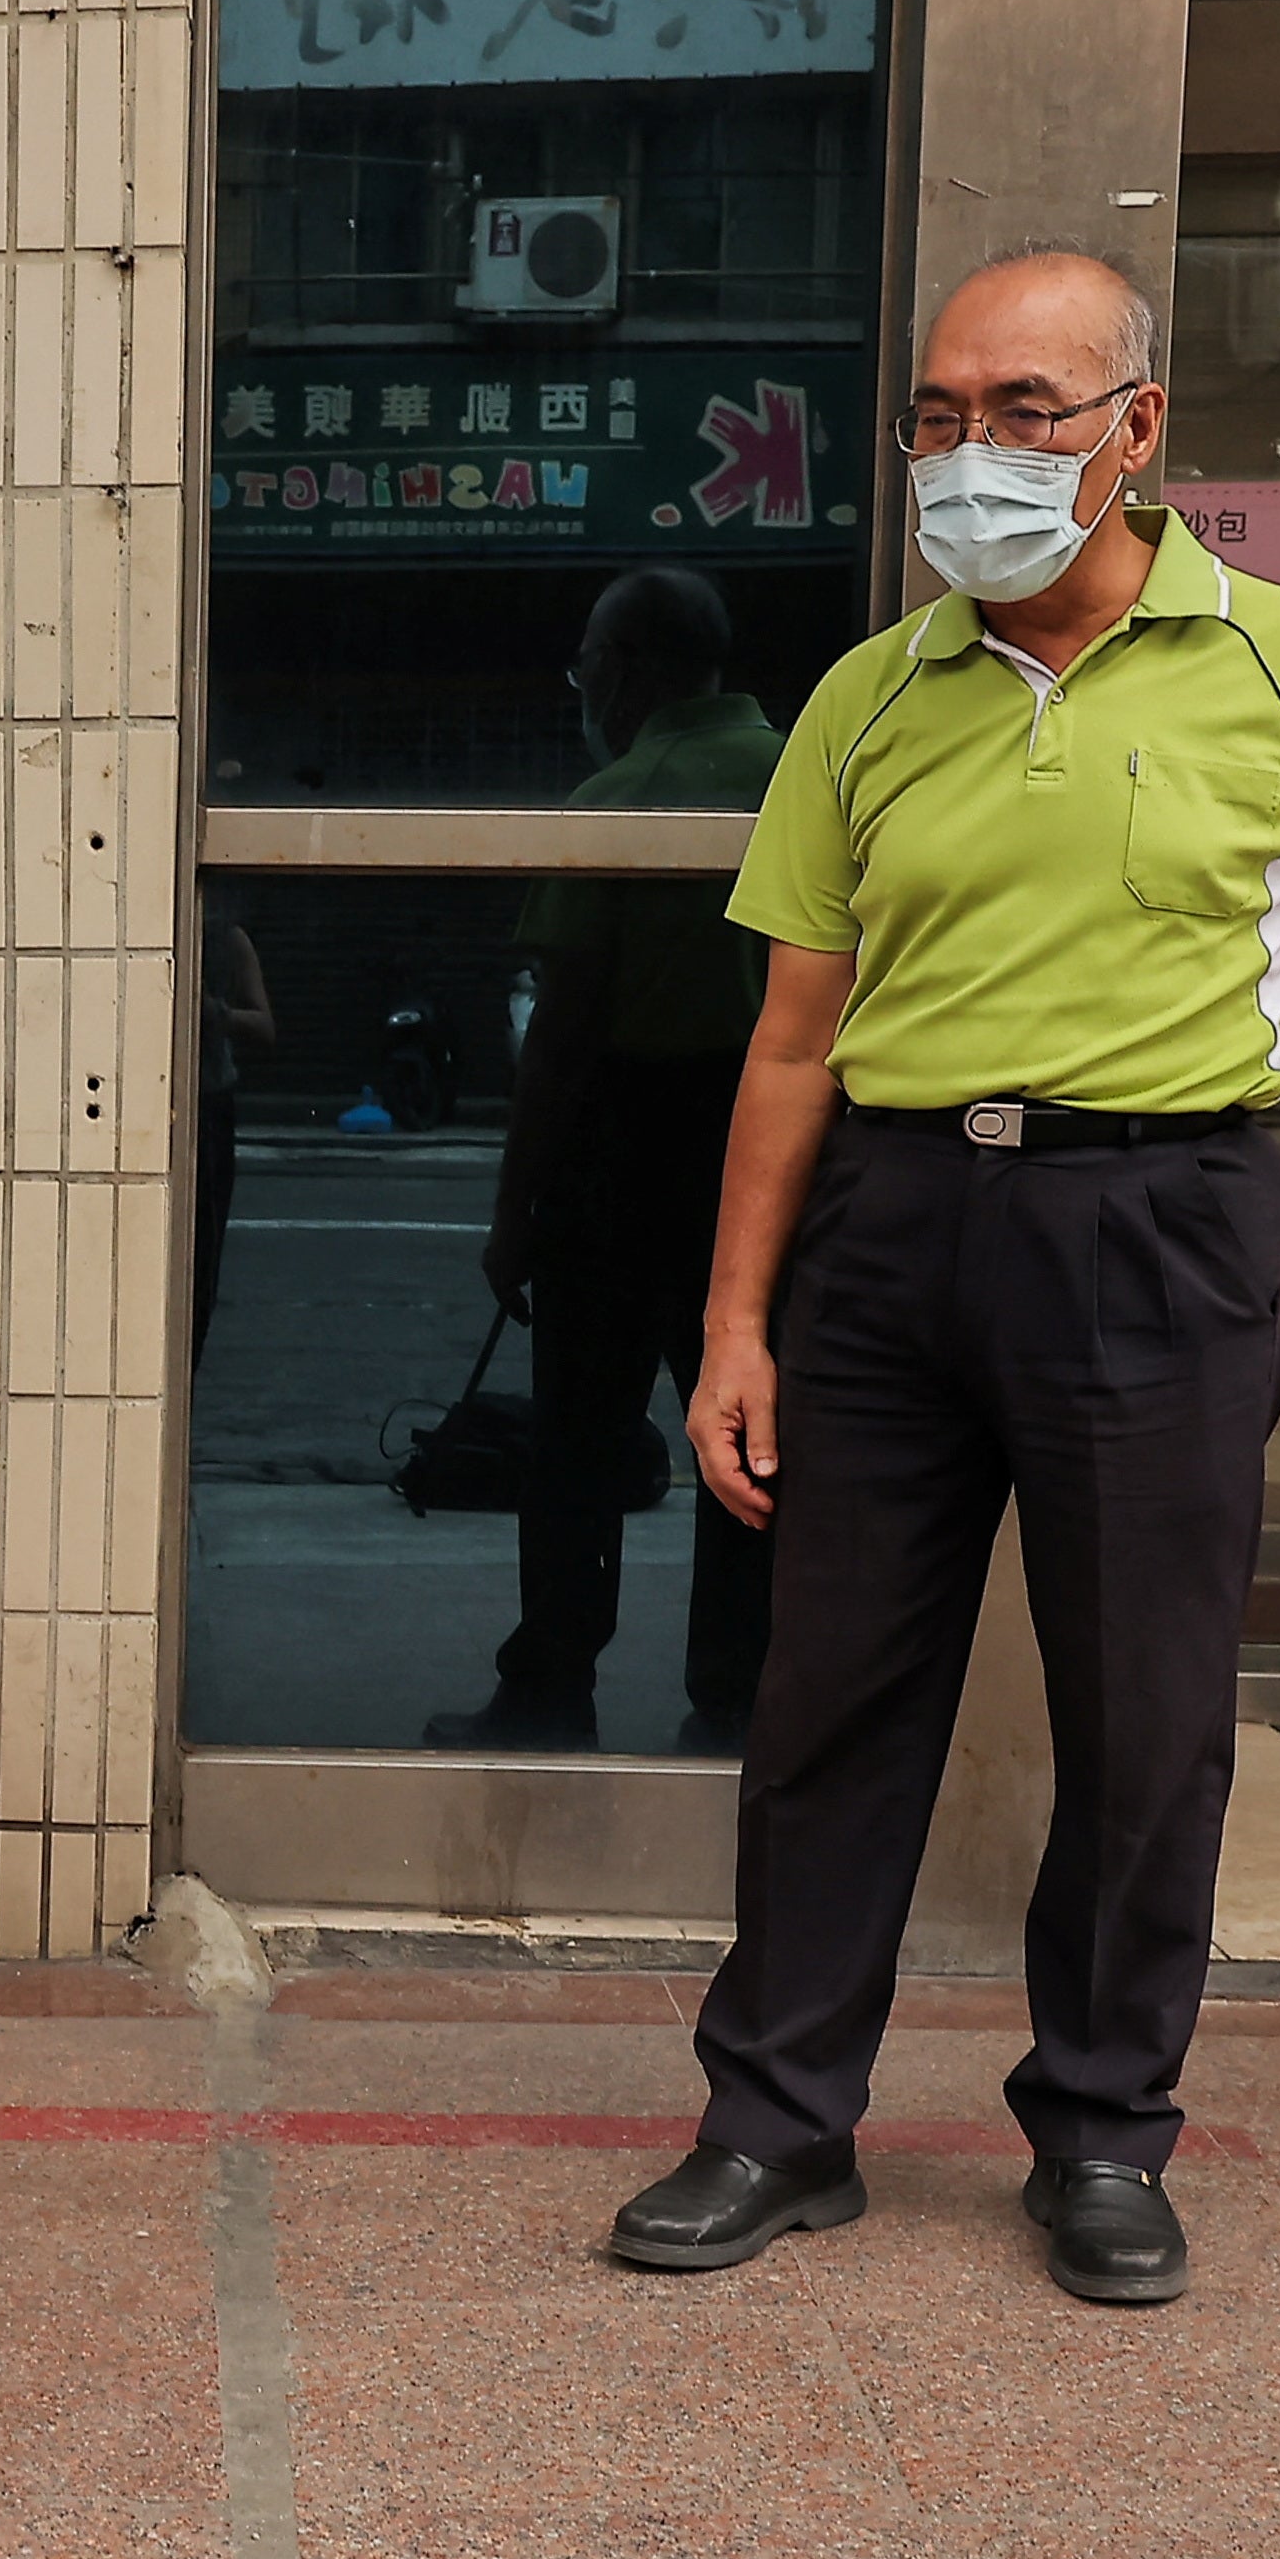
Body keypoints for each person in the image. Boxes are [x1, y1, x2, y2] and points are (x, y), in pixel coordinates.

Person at [613, 245, 1280, 2308]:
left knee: (1147, 1717)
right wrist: (738, 1319)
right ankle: (775, 2121)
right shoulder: (865, 696)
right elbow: (794, 1036)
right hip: (896, 1234)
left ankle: (1101, 2129)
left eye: (1023, 412)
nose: (967, 453)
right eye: (936, 413)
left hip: (1161, 1228)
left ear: (1136, 431)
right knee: (828, 1703)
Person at [426, 569, 784, 1754]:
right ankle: (738, 1686)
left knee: (578, 1438)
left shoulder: (618, 799)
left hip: (629, 1143)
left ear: (624, 670)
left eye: (586, 663)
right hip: (775, 1149)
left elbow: (563, 1040)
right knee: (748, 1431)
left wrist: (512, 1211)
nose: (583, 686)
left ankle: (548, 1679)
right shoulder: (805, 779)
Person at [188, 897, 271, 1352]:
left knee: (203, 1257)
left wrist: (215, 1012)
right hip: (170, 1099)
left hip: (210, 1099)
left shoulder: (226, 941)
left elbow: (264, 1024)